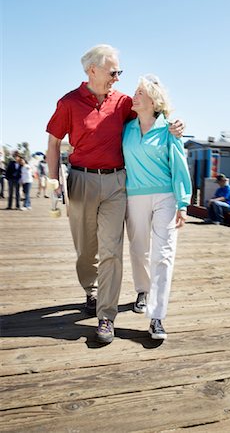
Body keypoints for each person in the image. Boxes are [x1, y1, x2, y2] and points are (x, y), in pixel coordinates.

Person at [46, 44, 184, 344]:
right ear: (92, 70)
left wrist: (174, 124)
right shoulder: (68, 102)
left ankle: (106, 316)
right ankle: (90, 288)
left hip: (116, 184)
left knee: (112, 249)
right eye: (113, 71)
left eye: (119, 71)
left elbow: (151, 116)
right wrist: (53, 181)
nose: (118, 77)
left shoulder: (122, 102)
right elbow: (54, 143)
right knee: (86, 248)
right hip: (80, 181)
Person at [123, 75, 192, 340]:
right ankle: (142, 289)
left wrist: (183, 203)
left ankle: (157, 317)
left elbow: (179, 167)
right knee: (139, 249)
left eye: (140, 92)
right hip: (134, 197)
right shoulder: (126, 129)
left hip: (165, 197)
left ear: (153, 100)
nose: (134, 95)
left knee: (163, 255)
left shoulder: (169, 130)